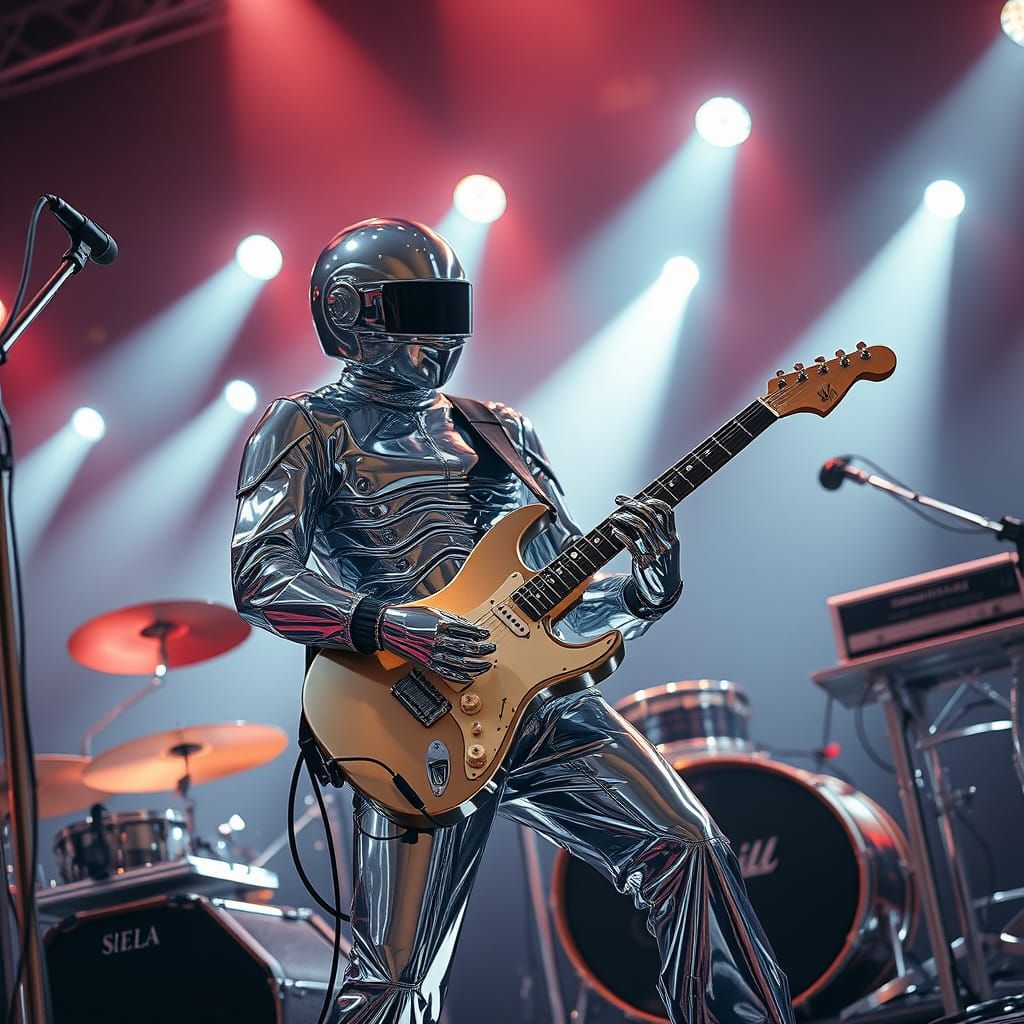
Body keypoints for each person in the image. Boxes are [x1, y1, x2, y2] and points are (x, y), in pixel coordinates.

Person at [231, 218, 792, 1024]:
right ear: (350, 311)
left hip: (540, 708)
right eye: (421, 306)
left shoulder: (502, 429)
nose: (445, 329)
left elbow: (564, 602)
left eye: (451, 304)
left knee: (691, 848)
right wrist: (394, 626)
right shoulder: (303, 425)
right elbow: (260, 576)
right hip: (407, 718)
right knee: (397, 979)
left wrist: (643, 592)